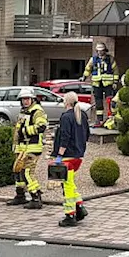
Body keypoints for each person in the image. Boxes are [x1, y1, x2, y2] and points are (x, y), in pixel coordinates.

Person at [52, 92, 90, 227]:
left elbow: (65, 136)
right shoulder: (83, 115)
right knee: (70, 182)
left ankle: (70, 214)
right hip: (78, 156)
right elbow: (87, 134)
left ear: (66, 102)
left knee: (66, 185)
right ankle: (79, 207)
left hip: (68, 156)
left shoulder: (66, 117)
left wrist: (59, 155)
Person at [6, 88, 48, 209]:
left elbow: (41, 127)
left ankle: (35, 198)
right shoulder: (24, 111)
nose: (25, 101)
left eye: (27, 99)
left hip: (32, 148)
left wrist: (24, 131)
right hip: (22, 148)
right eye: (23, 99)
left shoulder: (37, 111)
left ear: (32, 99)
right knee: (18, 171)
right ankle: (20, 196)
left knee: (27, 173)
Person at [82, 42, 117, 128]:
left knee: (110, 100)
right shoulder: (93, 59)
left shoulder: (110, 59)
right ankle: (99, 119)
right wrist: (84, 77)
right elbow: (88, 69)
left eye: (102, 51)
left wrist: (115, 82)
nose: (100, 52)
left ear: (105, 51)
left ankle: (110, 117)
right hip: (97, 84)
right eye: (98, 51)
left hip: (108, 83)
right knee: (98, 101)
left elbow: (115, 70)